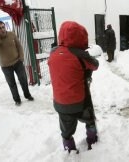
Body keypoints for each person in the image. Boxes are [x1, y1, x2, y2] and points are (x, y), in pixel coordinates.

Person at [48, 21, 99, 153]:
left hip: (60, 103)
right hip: (80, 102)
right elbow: (95, 65)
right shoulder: (80, 55)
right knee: (90, 121)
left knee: (66, 131)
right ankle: (93, 143)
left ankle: (69, 150)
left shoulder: (53, 53)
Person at [0, 20, 34, 106]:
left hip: (17, 62)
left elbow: (19, 46)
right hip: (5, 66)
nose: (2, 29)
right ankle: (17, 100)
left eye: (3, 27)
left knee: (23, 80)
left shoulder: (11, 34)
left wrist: (21, 57)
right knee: (12, 84)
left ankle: (27, 95)